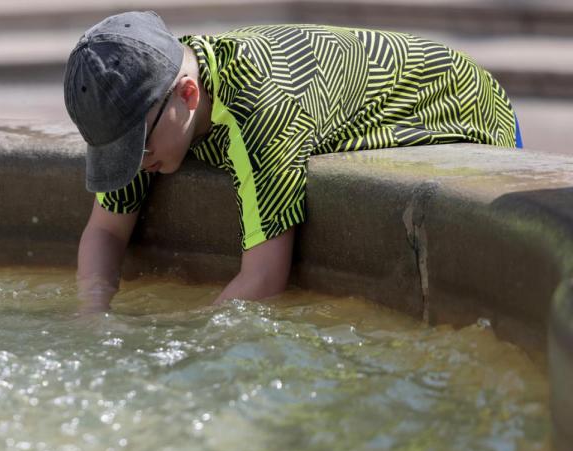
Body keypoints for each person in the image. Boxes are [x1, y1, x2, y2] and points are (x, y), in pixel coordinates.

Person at [63, 11, 521, 313]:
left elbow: (263, 280)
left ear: (189, 95)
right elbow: (104, 230)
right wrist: (94, 318)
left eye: (137, 147)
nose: (135, 164)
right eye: (116, 153)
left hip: (464, 104)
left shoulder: (264, 111)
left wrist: (169, 344)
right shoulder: (145, 97)